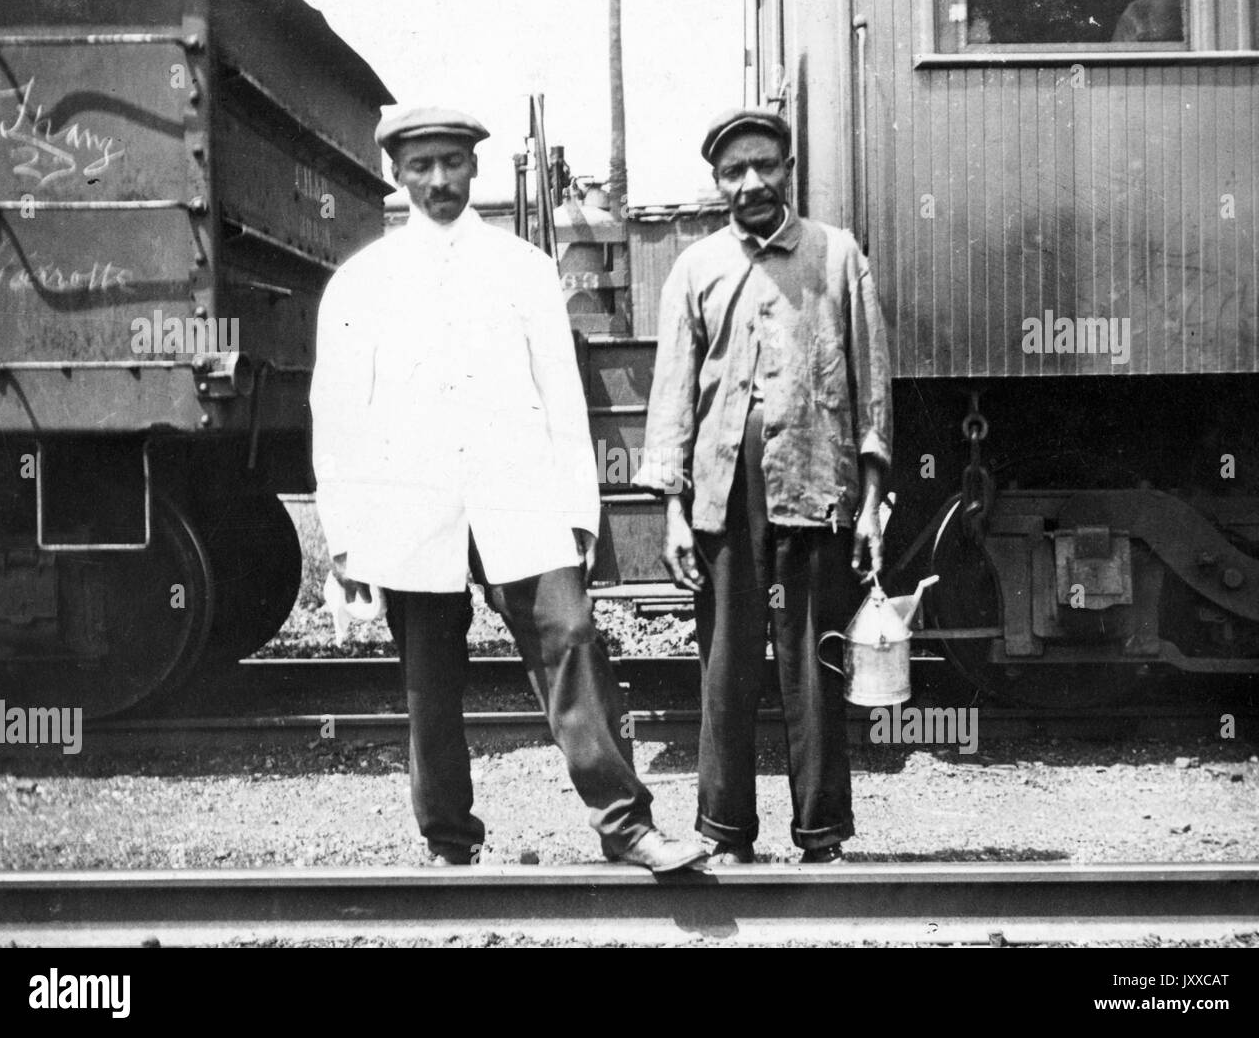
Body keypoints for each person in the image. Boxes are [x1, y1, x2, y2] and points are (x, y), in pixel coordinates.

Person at [310, 106, 708, 873]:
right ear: (397, 174)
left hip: (517, 495)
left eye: (452, 162)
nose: (438, 180)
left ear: (474, 168)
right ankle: (448, 842)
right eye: (421, 165)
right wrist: (347, 533)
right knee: (429, 679)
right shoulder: (363, 283)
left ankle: (626, 826)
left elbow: (562, 395)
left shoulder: (521, 267)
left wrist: (578, 515)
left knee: (572, 636)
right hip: (411, 502)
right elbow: (337, 415)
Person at [632, 108, 892, 864]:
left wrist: (872, 503)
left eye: (764, 166)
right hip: (722, 493)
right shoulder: (695, 268)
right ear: (717, 183)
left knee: (812, 662)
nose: (751, 182)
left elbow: (872, 392)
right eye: (733, 171)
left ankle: (821, 834)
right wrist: (674, 512)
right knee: (726, 667)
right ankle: (725, 833)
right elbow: (672, 399)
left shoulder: (837, 256)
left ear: (787, 170)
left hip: (816, 484)